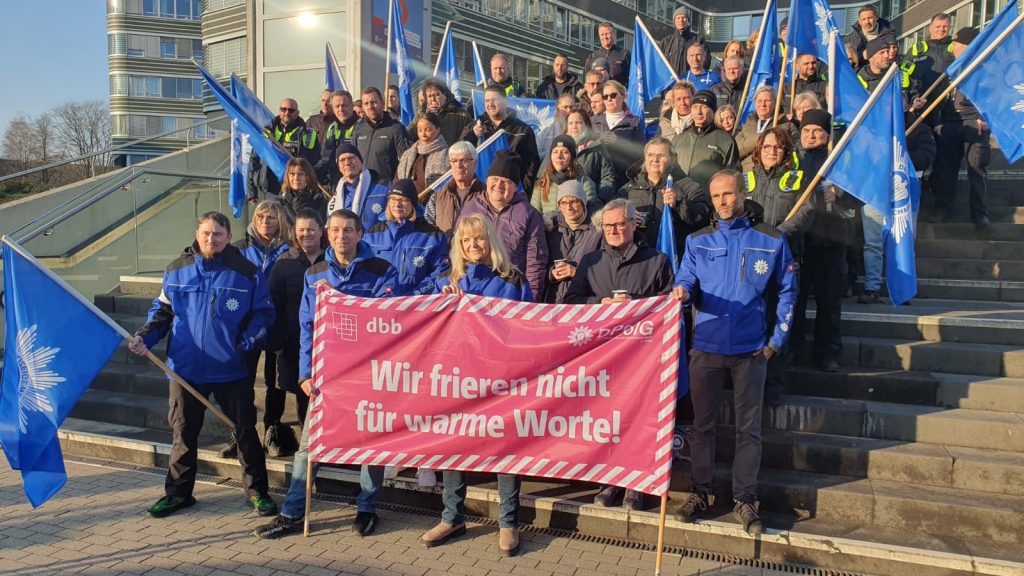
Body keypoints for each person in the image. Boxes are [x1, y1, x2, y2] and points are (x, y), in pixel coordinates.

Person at [252, 209, 399, 541]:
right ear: (327, 234)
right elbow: (307, 327)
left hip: (368, 374)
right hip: (327, 376)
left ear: (360, 234)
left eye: (348, 230)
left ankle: (367, 509)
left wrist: (342, 301)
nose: (341, 236)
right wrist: (305, 373)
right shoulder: (315, 273)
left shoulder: (382, 270)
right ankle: (292, 514)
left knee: (371, 446)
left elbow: (389, 319)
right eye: (335, 230)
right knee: (310, 447)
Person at [129, 212, 278, 519]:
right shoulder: (176, 270)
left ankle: (258, 492)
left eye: (218, 234)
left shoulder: (247, 272)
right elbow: (162, 313)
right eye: (206, 233)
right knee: (183, 433)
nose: (212, 239)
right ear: (197, 234)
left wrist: (245, 343)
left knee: (245, 431)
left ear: (228, 236)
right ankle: (178, 493)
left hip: (230, 369)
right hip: (185, 370)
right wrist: (145, 337)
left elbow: (264, 314)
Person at [672, 170, 797, 535]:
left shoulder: (771, 239)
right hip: (706, 348)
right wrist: (682, 292)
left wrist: (775, 342)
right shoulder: (697, 241)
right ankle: (700, 492)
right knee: (702, 427)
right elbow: (685, 278)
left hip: (751, 351)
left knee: (749, 431)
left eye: (728, 194)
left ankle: (745, 498)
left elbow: (788, 291)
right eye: (716, 196)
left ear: (742, 194)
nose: (722, 202)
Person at [419, 214, 530, 555]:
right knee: (454, 444)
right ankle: (452, 517)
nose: (473, 246)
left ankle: (508, 522)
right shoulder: (447, 280)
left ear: (490, 240)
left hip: (501, 378)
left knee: (505, 447)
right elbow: (421, 316)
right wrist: (441, 299)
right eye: (466, 241)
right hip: (458, 378)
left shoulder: (512, 279)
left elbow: (530, 327)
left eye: (478, 238)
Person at [782, 110, 862, 373]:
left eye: (817, 131)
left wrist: (839, 194)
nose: (811, 136)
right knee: (795, 301)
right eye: (806, 131)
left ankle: (828, 352)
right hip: (800, 242)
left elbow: (860, 196)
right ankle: (793, 349)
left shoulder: (839, 159)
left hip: (831, 240)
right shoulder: (792, 159)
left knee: (829, 302)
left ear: (827, 134)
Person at [228, 199, 296, 458]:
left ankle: (272, 430)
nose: (265, 222)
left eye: (271, 218)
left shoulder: (289, 250)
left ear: (280, 221)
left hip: (277, 324)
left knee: (274, 382)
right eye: (260, 217)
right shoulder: (239, 249)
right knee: (242, 381)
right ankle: (241, 433)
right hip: (247, 325)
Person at [744, 127, 805, 403]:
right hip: (752, 261)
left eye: (778, 147)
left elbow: (804, 214)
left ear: (785, 152)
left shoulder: (797, 179)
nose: (772, 151)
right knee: (753, 319)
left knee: (779, 321)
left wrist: (776, 236)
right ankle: (748, 383)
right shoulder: (746, 178)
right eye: (767, 147)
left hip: (784, 258)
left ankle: (774, 386)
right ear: (759, 150)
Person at [459, 151, 548, 300]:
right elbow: (457, 250)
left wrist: (531, 300)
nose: (499, 185)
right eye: (494, 179)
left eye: (506, 181)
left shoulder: (528, 214)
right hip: (471, 290)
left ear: (515, 187)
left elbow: (535, 261)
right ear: (487, 181)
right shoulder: (470, 209)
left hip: (509, 291)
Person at [267, 208, 326, 432]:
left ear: (321, 230)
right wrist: (278, 343)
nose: (306, 234)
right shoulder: (283, 263)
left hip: (328, 343)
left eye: (311, 229)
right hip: (294, 344)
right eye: (301, 230)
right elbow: (272, 306)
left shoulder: (332, 261)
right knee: (304, 397)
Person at [929, 26, 991, 232]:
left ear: (967, 46)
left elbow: (991, 96)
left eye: (956, 44)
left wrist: (984, 118)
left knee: (977, 169)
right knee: (946, 169)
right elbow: (939, 96)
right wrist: (938, 121)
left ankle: (979, 213)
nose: (952, 47)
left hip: (975, 123)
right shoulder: (950, 67)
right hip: (949, 123)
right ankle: (943, 209)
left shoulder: (983, 68)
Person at [617, 137, 710, 258]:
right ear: (645, 157)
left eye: (661, 155)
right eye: (651, 155)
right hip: (637, 260)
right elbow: (610, 219)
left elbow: (704, 218)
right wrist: (626, 216)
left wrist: (679, 204)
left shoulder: (688, 187)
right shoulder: (627, 189)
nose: (655, 160)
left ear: (672, 159)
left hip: (674, 258)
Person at [365, 179, 450, 295]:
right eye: (393, 199)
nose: (397, 204)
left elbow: (441, 272)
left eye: (403, 200)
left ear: (413, 203)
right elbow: (361, 270)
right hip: (378, 301)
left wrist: (416, 293)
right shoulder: (372, 234)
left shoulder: (432, 236)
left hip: (415, 302)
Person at [460, 86, 541, 192]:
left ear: (505, 101)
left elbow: (531, 166)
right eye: (487, 101)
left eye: (495, 100)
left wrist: (521, 192)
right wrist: (473, 135)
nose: (490, 104)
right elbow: (459, 153)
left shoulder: (522, 130)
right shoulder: (474, 127)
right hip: (479, 192)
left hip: (509, 193)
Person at [248, 98, 318, 201]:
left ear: (297, 113)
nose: (286, 113)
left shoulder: (308, 135)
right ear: (279, 110)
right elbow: (253, 162)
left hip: (295, 191)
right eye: (283, 109)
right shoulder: (266, 133)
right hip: (270, 190)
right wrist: (252, 192)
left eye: (291, 110)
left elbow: (314, 164)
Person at [543, 181, 602, 303]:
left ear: (583, 203)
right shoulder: (550, 229)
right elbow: (537, 266)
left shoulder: (598, 231)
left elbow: (605, 271)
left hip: (584, 302)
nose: (568, 207)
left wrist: (577, 273)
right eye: (563, 203)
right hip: (552, 302)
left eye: (574, 201)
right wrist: (551, 274)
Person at [671, 91, 740, 191]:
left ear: (713, 110)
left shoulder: (725, 141)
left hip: (708, 198)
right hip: (679, 198)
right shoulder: (678, 139)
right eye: (695, 107)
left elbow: (733, 177)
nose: (698, 112)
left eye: (704, 107)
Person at [352, 87, 411, 184]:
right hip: (361, 186)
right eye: (366, 103)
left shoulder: (396, 128)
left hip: (386, 187)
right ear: (363, 107)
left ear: (383, 104)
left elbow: (407, 161)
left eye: (374, 102)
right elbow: (352, 157)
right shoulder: (358, 129)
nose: (370, 106)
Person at [327, 143, 391, 233]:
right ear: (339, 167)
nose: (347, 163)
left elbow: (391, 219)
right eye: (342, 160)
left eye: (351, 158)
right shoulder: (335, 198)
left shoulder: (383, 189)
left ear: (361, 162)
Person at [424, 141, 485, 234]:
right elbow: (428, 228)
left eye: (464, 160)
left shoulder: (487, 194)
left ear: (475, 163)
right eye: (454, 161)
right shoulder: (437, 197)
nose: (458, 165)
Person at [592, 80, 644, 185]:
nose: (609, 99)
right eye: (605, 97)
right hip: (598, 180)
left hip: (624, 180)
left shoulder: (634, 123)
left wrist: (619, 142)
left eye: (613, 95)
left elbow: (640, 153)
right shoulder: (593, 122)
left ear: (623, 97)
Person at [532, 135, 598, 216]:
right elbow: (534, 215)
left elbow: (589, 212)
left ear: (572, 157)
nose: (559, 156)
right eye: (555, 152)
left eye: (565, 152)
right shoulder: (542, 183)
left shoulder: (584, 182)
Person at [735, 86, 797, 171]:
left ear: (775, 104)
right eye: (759, 101)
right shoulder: (745, 126)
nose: (763, 105)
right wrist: (764, 136)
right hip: (747, 172)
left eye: (767, 101)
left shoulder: (786, 126)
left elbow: (795, 151)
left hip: (776, 172)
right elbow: (736, 151)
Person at [565, 110, 617, 203]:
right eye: (570, 123)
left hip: (590, 202)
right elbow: (544, 176)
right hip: (562, 203)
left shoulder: (597, 147)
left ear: (586, 125)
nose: (574, 126)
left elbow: (608, 177)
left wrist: (600, 199)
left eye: (578, 122)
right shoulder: (557, 147)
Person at [910, 13, 954, 113]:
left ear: (950, 28)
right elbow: (905, 75)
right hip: (921, 104)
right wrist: (913, 98)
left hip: (947, 105)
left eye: (945, 26)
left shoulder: (955, 48)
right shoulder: (917, 49)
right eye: (938, 26)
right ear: (930, 28)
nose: (941, 29)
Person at [396, 112, 449, 193]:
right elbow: (397, 181)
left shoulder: (446, 155)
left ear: (437, 130)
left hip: (434, 199)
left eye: (428, 130)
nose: (423, 134)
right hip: (407, 199)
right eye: (420, 130)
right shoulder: (408, 154)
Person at [316, 90, 359, 185]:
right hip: (335, 181)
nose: (341, 109)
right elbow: (325, 156)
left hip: (356, 179)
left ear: (352, 106)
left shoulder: (362, 126)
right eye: (337, 106)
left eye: (344, 105)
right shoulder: (332, 128)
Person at [420, 76, 472, 148]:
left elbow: (468, 141)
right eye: (429, 96)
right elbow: (410, 136)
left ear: (445, 95)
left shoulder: (462, 115)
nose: (433, 99)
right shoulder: (421, 115)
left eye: (437, 95)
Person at [660, 7, 708, 77]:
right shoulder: (666, 41)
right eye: (678, 18)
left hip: (692, 81)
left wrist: (698, 77)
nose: (681, 20)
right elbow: (659, 63)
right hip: (671, 81)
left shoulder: (698, 39)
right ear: (674, 21)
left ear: (688, 21)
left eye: (684, 17)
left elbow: (706, 60)